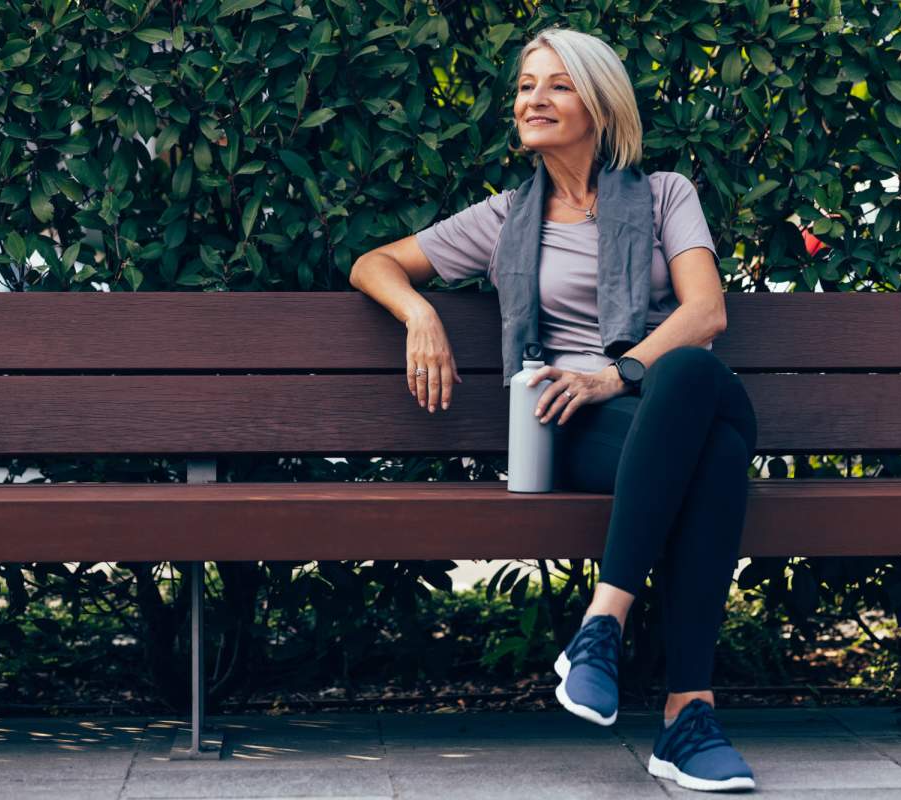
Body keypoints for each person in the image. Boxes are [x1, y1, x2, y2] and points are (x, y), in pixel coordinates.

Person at [349, 25, 759, 794]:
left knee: (687, 377)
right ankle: (688, 719)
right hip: (578, 431)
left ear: (600, 106)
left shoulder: (668, 194)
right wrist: (420, 315)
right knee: (721, 458)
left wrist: (615, 372)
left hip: (655, 395)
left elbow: (705, 313)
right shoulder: (504, 218)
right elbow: (373, 263)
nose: (534, 99)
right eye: (526, 85)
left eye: (557, 85)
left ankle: (604, 621)